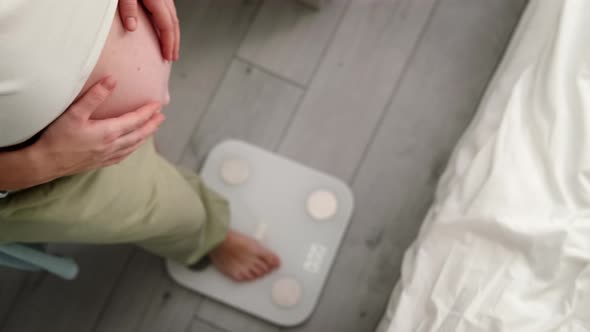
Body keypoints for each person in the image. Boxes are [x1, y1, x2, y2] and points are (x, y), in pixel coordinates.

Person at [0, 0, 280, 282]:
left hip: (78, 119)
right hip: (39, 174)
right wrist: (41, 163)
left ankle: (145, 160)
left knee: (141, 159)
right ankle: (208, 235)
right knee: (174, 212)